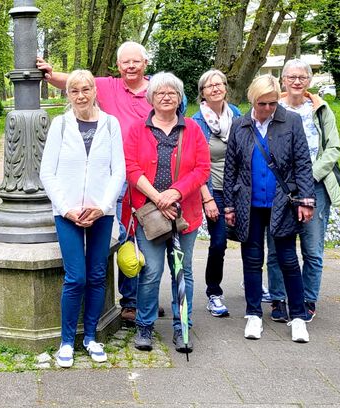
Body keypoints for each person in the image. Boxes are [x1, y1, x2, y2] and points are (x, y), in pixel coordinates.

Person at [38, 41, 171, 324]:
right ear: (119, 65)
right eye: (126, 62)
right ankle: (130, 301)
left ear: (145, 63)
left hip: (151, 171)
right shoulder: (108, 86)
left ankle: (145, 297)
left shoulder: (156, 89)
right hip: (118, 173)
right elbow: (75, 84)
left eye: (136, 61)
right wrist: (50, 73)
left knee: (151, 235)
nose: (131, 66)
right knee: (125, 234)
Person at [39, 70, 125, 367]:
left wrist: (102, 206)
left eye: (86, 89)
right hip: (68, 213)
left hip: (101, 212)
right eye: (74, 90)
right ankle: (66, 341)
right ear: (68, 95)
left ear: (94, 91)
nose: (81, 95)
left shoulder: (110, 124)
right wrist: (66, 208)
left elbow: (119, 171)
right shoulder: (60, 126)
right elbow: (47, 172)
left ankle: (91, 336)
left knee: (98, 274)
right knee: (76, 276)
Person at [223, 74, 315, 343]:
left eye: (272, 104)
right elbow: (231, 168)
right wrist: (229, 205)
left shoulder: (291, 121)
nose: (267, 109)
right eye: (262, 103)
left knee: (287, 259)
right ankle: (253, 314)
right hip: (248, 204)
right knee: (251, 261)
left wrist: (306, 200)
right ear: (253, 100)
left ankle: (297, 317)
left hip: (282, 203)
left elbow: (303, 163)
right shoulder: (240, 125)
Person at [123, 73, 210, 353]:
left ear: (180, 97)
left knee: (182, 271)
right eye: (160, 92)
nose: (166, 96)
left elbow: (202, 169)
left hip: (186, 214)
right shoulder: (138, 129)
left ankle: (182, 326)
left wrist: (175, 193)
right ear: (151, 98)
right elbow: (131, 167)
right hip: (150, 213)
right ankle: (145, 326)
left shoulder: (193, 130)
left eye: (172, 92)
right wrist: (158, 197)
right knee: (151, 271)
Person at [265, 59, 340, 323]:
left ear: (309, 81)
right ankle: (278, 298)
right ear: (283, 80)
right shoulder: (274, 107)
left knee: (312, 248)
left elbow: (333, 148)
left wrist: (307, 177)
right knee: (276, 246)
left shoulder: (321, 109)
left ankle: (308, 299)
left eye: (302, 77)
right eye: (291, 77)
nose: (296, 82)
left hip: (315, 186)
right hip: (281, 188)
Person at [191, 69, 242, 318]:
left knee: (251, 239)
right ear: (202, 92)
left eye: (219, 83)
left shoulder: (238, 115)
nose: (215, 88)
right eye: (209, 85)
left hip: (239, 189)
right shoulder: (196, 121)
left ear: (225, 88)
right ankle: (214, 292)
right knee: (219, 241)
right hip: (213, 189)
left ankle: (253, 285)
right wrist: (206, 197)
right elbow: (194, 163)